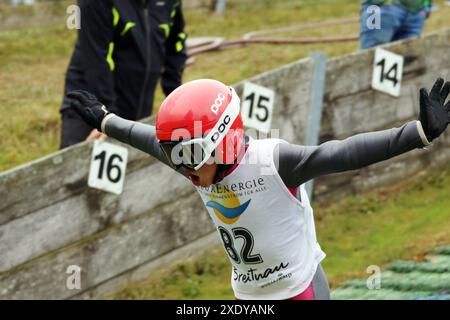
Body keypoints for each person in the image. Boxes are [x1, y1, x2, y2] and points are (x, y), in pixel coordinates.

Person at [67, 78, 450, 300]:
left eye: (191, 154)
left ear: (223, 138)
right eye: (174, 155)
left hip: (300, 291)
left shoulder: (271, 162)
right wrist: (107, 119)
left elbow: (341, 153)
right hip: (248, 297)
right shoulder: (198, 164)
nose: (183, 167)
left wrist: (415, 134)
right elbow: (145, 136)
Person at [59, 0, 187, 148]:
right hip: (90, 105)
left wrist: (177, 103)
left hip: (137, 104)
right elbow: (96, 60)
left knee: (134, 167)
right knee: (76, 167)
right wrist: (107, 117)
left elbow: (175, 44)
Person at [360, 0, 433, 49]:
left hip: (416, 13)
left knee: (407, 64)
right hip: (383, 7)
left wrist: (426, 6)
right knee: (372, 57)